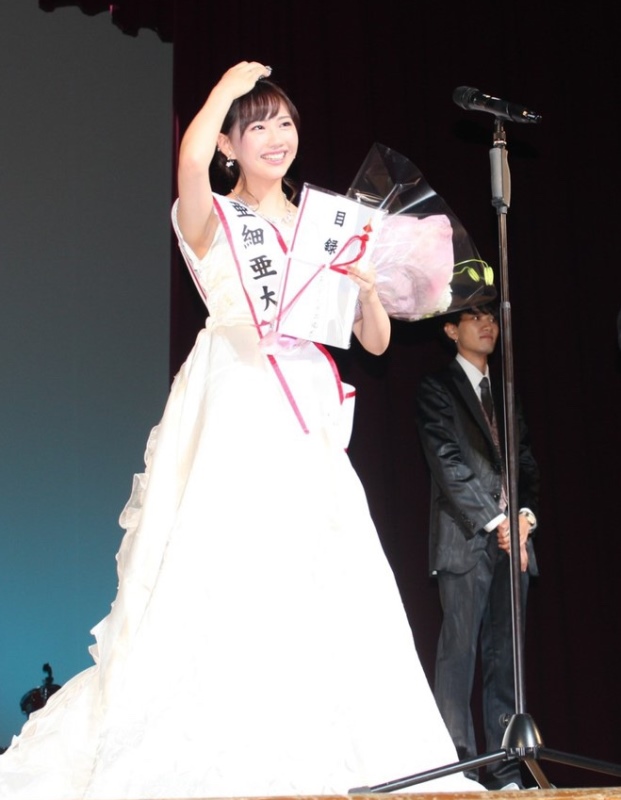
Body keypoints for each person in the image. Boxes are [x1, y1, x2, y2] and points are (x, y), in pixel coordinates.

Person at [0, 61, 486, 798]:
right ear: (229, 143)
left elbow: (376, 342)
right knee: (228, 556)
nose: (276, 137)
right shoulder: (215, 216)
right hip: (235, 393)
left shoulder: (326, 223)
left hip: (305, 409)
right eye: (257, 126)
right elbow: (189, 161)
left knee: (320, 564)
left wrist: (367, 290)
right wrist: (227, 87)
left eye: (285, 122)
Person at [414, 304, 540, 791]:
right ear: (451, 329)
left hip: (514, 541)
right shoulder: (436, 388)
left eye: (492, 316)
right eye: (475, 317)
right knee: (459, 654)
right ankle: (459, 768)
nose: (488, 324)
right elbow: (447, 461)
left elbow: (525, 461)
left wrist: (524, 518)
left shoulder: (506, 393)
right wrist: (497, 520)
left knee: (506, 660)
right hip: (466, 536)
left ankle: (507, 770)